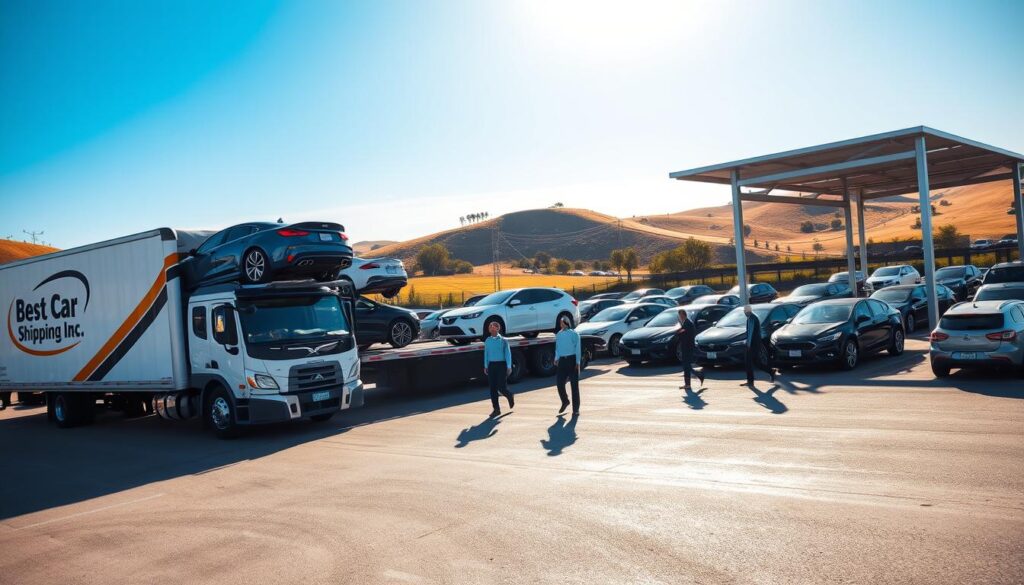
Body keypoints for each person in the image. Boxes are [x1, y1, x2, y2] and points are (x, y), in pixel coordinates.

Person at [482, 321, 514, 417]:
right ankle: (496, 409)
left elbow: (508, 354)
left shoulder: (503, 341)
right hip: (491, 365)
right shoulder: (487, 340)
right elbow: (486, 354)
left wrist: (509, 366)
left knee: (501, 387)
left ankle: (509, 395)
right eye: (489, 326)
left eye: (493, 326)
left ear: (497, 328)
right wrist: (486, 366)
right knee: (492, 388)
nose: (491, 328)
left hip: (501, 365)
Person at [743, 305, 778, 386]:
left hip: (752, 344)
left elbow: (751, 332)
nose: (744, 312)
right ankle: (771, 371)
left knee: (748, 363)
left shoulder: (752, 318)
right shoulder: (752, 317)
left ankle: (750, 381)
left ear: (748, 311)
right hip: (755, 343)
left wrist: (748, 345)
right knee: (756, 363)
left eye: (745, 311)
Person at [554, 316, 581, 415]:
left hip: (572, 360)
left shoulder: (574, 334)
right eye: (560, 323)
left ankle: (576, 409)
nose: (560, 324)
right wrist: (556, 358)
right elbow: (557, 347)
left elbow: (577, 348)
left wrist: (578, 362)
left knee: (574, 386)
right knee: (559, 383)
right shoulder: (559, 335)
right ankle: (565, 401)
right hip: (562, 361)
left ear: (566, 322)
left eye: (562, 322)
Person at [674, 308, 703, 390]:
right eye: (679, 316)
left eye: (680, 315)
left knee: (686, 366)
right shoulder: (685, 323)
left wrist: (679, 332)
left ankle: (697, 376)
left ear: (683, 315)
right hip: (685, 347)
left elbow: (683, 334)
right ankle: (689, 383)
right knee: (686, 366)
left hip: (688, 348)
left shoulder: (688, 323)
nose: (679, 317)